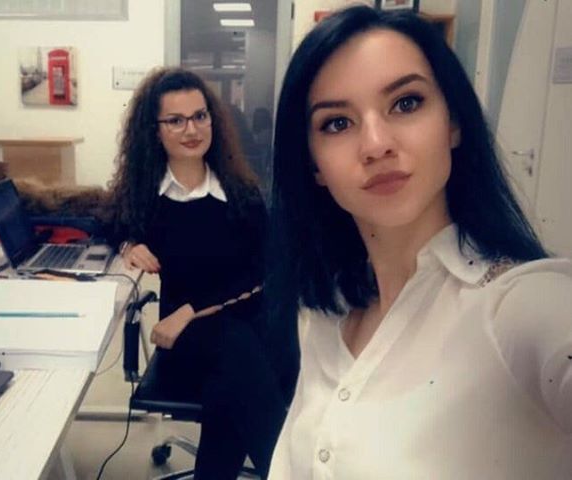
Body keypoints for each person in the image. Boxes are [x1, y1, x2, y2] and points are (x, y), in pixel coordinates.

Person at [266, 6, 572, 479]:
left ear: (453, 123)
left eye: (406, 103)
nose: (376, 144)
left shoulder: (519, 307)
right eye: (337, 123)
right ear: (314, 166)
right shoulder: (329, 312)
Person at [107, 67, 287, 479]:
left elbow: (259, 273)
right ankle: (287, 470)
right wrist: (128, 244)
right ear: (154, 131)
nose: (191, 129)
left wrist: (189, 311)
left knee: (231, 378)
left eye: (200, 116)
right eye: (176, 120)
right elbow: (106, 221)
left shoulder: (240, 193)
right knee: (238, 365)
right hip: (189, 343)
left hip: (233, 324)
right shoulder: (146, 194)